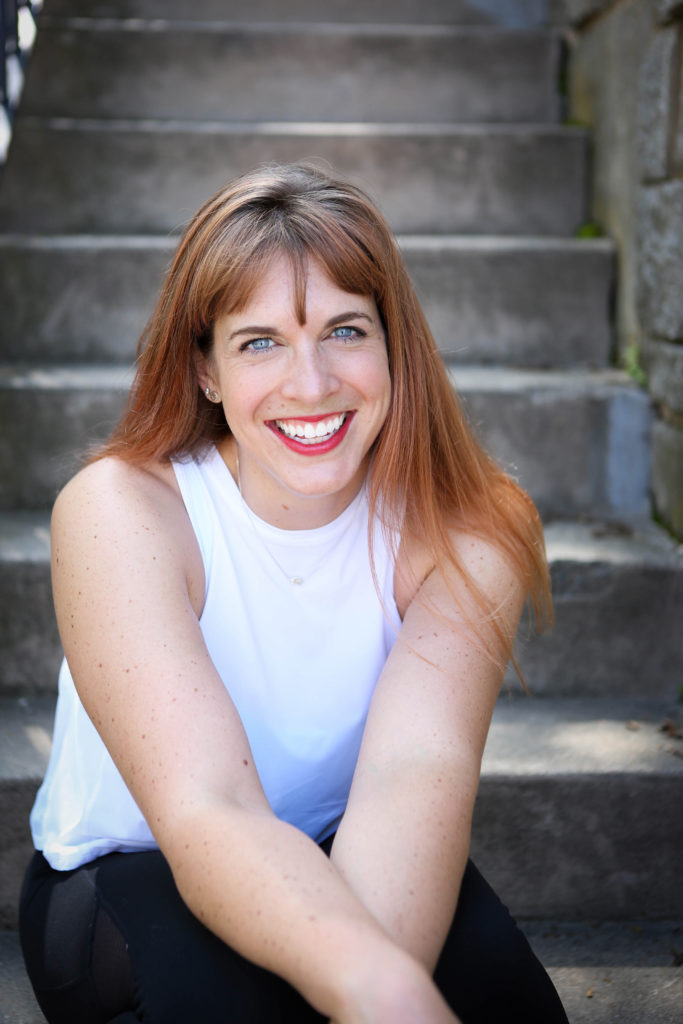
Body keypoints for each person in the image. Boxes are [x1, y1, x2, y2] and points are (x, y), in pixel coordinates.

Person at [19, 163, 568, 1024]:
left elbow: (408, 778)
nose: (309, 384)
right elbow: (209, 806)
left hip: (347, 843)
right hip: (131, 866)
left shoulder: (472, 528)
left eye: (346, 330)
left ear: (395, 344)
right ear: (204, 370)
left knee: (505, 1001)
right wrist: (379, 994)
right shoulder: (122, 512)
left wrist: (374, 992)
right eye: (260, 341)